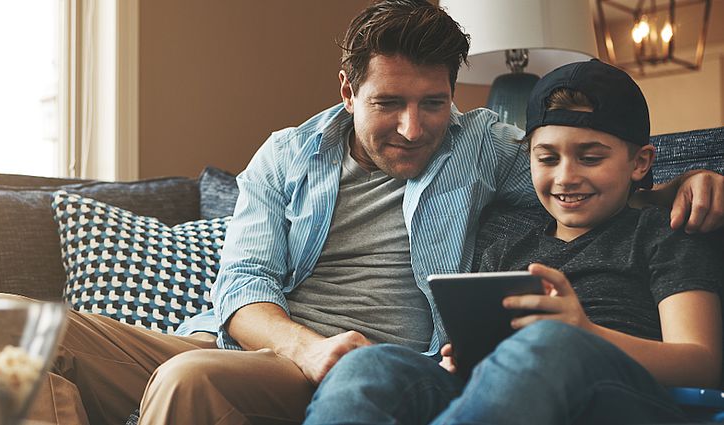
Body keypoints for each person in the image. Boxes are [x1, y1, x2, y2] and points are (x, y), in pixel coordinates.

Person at [16, 1, 724, 424]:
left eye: (434, 104)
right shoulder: (286, 155)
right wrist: (305, 343)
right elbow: (242, 286)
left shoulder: (485, 148)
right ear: (349, 91)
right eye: (389, 103)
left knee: (191, 380)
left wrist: (687, 181)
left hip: (360, 358)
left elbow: (588, 175)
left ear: (457, 97)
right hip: (253, 342)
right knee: (13, 329)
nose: (414, 128)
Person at [303, 59, 724, 425]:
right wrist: (464, 357)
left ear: (640, 163)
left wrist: (585, 333)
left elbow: (702, 363)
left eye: (591, 157)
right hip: (505, 392)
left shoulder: (662, 234)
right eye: (547, 158)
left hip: (622, 394)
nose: (565, 177)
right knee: (369, 364)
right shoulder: (506, 248)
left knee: (548, 343)